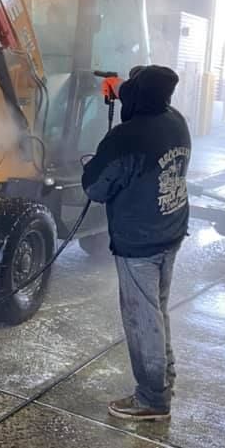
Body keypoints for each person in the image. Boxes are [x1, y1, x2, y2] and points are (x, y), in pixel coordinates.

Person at [82, 65, 191, 421]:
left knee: (143, 320)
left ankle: (151, 400)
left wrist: (95, 161)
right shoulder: (176, 120)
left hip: (139, 244)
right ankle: (165, 379)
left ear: (135, 100)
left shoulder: (125, 139)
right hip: (170, 231)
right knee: (157, 312)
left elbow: (95, 188)